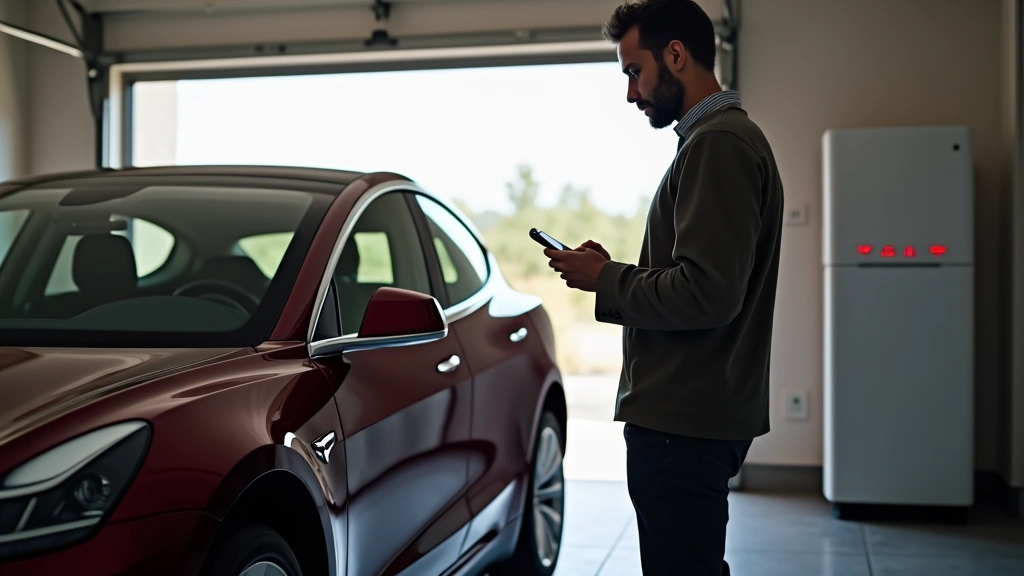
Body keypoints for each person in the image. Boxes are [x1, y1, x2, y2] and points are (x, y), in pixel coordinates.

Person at [544, 1, 785, 574]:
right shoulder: (717, 140)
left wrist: (607, 279)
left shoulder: (718, 144)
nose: (631, 93)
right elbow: (706, 279)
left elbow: (708, 293)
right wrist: (615, 272)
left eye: (634, 71)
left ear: (675, 54)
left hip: (683, 426)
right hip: (693, 421)